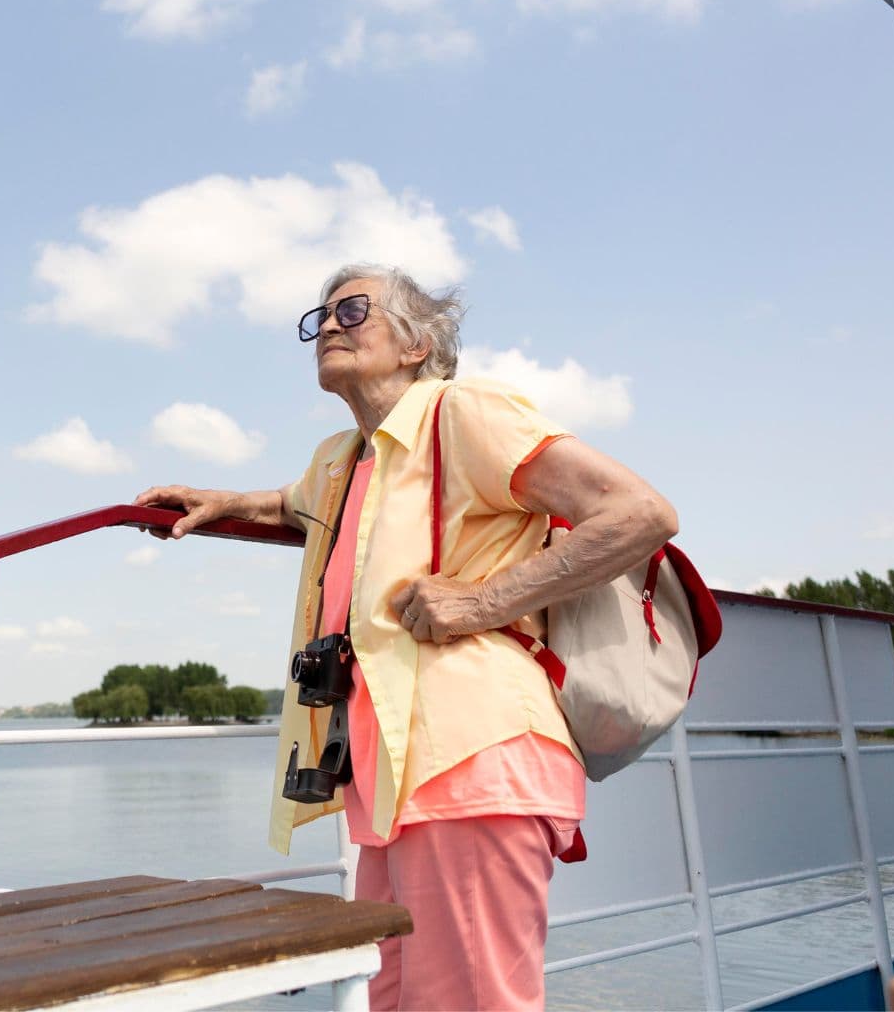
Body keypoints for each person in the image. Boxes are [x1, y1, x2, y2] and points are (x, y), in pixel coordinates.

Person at [134, 263, 678, 1011]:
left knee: (473, 1000)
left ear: (419, 344)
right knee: (393, 996)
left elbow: (638, 513)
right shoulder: (343, 457)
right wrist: (229, 502)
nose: (327, 326)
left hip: (471, 755)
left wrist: (483, 600)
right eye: (317, 318)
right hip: (392, 775)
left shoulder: (463, 414)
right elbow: (296, 507)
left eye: (352, 311)